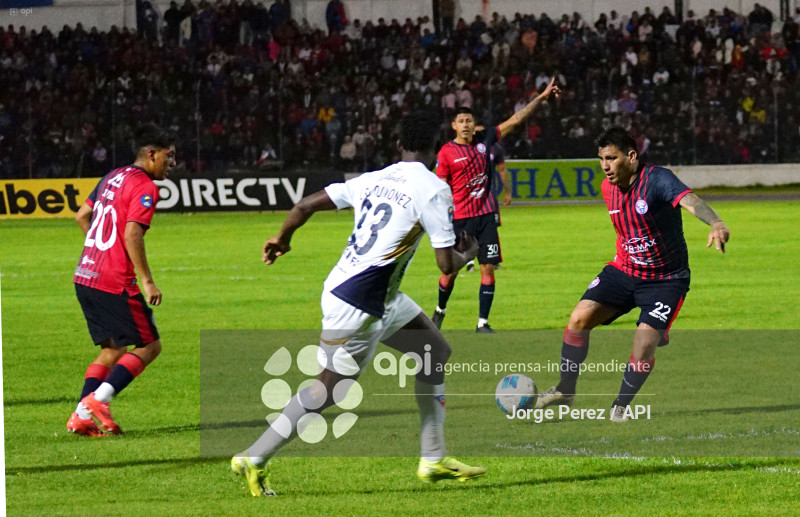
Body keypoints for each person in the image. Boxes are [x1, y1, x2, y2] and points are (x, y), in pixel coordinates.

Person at [230, 110, 485, 497]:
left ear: (398, 144)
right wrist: (470, 253)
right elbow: (446, 263)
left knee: (433, 351)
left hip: (371, 293)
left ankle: (433, 458)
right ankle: (255, 456)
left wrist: (282, 239)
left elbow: (303, 206)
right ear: (435, 148)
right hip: (359, 302)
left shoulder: (373, 178)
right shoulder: (433, 189)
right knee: (327, 390)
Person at [535, 126, 730, 421]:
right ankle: (566, 390)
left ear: (631, 156)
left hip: (665, 280)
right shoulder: (607, 188)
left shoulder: (658, 179)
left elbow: (691, 201)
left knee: (644, 344)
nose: (605, 166)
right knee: (578, 319)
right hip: (624, 270)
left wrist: (715, 223)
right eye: (601, 159)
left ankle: (620, 406)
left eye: (611, 158)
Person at [68, 123, 176, 436]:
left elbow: (81, 216)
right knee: (149, 344)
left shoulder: (112, 176)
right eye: (168, 156)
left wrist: (99, 250)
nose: (172, 163)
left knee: (112, 350)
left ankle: (81, 415)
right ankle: (98, 400)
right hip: (112, 281)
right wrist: (147, 281)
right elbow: (132, 234)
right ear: (151, 154)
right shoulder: (145, 186)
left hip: (85, 275)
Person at [432, 78, 560, 333]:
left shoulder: (486, 139)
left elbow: (515, 120)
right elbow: (439, 187)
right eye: (461, 121)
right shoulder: (446, 152)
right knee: (451, 272)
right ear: (454, 126)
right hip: (461, 220)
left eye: (469, 121)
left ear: (474, 124)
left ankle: (483, 323)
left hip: (486, 217)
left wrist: (540, 98)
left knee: (488, 268)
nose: (466, 125)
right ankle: (440, 310)